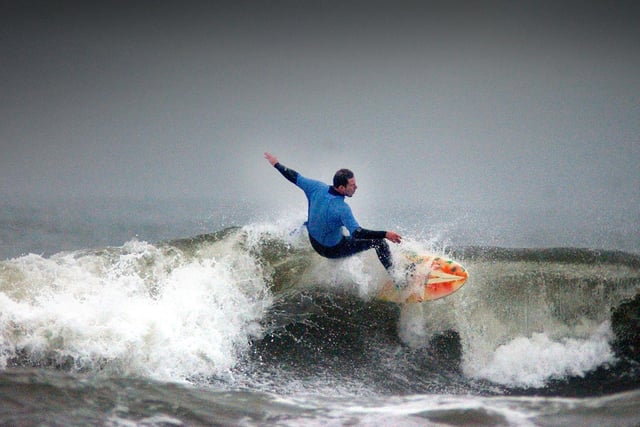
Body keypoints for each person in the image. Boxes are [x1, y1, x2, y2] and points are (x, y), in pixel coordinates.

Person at [264, 152, 402, 272]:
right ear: (342, 188)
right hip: (332, 250)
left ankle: (304, 229)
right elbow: (358, 233)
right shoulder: (342, 208)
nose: (356, 187)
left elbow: (294, 176)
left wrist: (276, 164)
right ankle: (399, 279)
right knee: (379, 243)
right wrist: (385, 234)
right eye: (352, 185)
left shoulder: (315, 187)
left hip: (314, 242)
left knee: (315, 221)